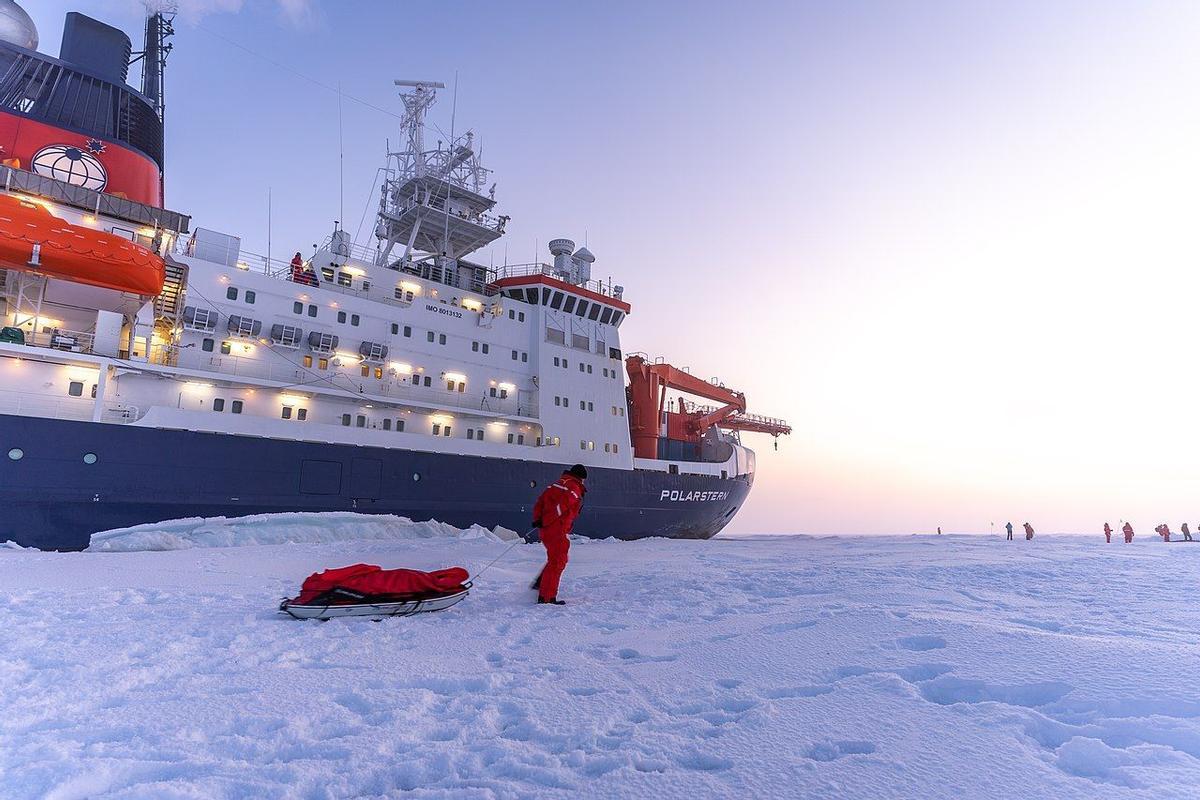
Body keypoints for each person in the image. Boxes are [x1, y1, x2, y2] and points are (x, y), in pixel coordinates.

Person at [530, 464, 588, 605]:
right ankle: (547, 598)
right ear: (581, 478)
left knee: (554, 559)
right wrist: (545, 520)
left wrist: (538, 519)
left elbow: (540, 502)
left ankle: (540, 585)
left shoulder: (556, 484)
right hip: (556, 529)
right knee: (558, 562)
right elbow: (561, 507)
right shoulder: (573, 488)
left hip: (546, 529)